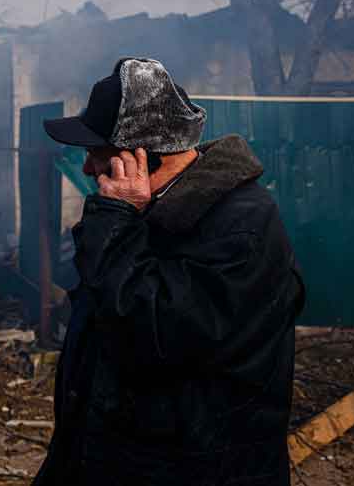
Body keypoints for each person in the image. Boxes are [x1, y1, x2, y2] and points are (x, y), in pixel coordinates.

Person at [34, 57, 305, 486]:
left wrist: (114, 221)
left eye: (94, 152)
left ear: (137, 157)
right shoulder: (146, 211)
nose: (87, 167)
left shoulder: (241, 228)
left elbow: (153, 332)